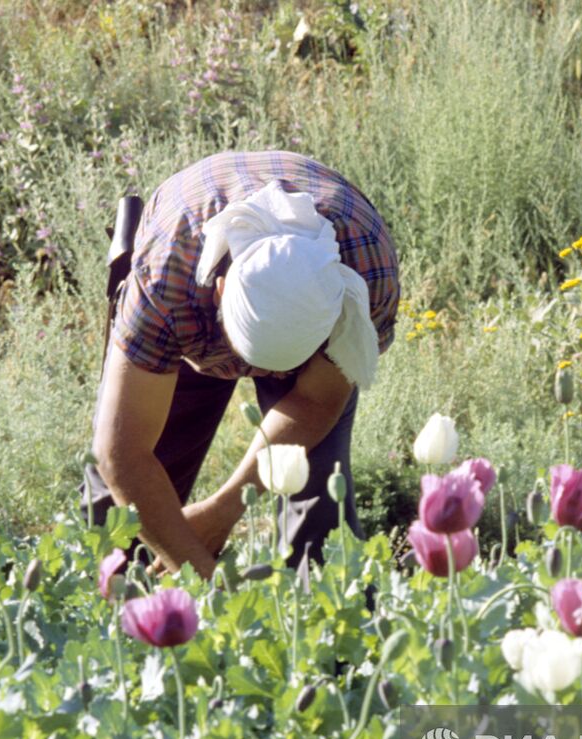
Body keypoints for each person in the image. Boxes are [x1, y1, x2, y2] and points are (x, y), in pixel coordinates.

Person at [81, 151, 399, 577]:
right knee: (124, 514)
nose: (260, 376)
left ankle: (322, 625)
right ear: (220, 287)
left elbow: (315, 401)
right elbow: (121, 453)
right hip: (189, 314)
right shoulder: (167, 278)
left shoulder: (365, 271)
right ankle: (106, 615)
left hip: (304, 333)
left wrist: (223, 510)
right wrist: (203, 579)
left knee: (316, 493)